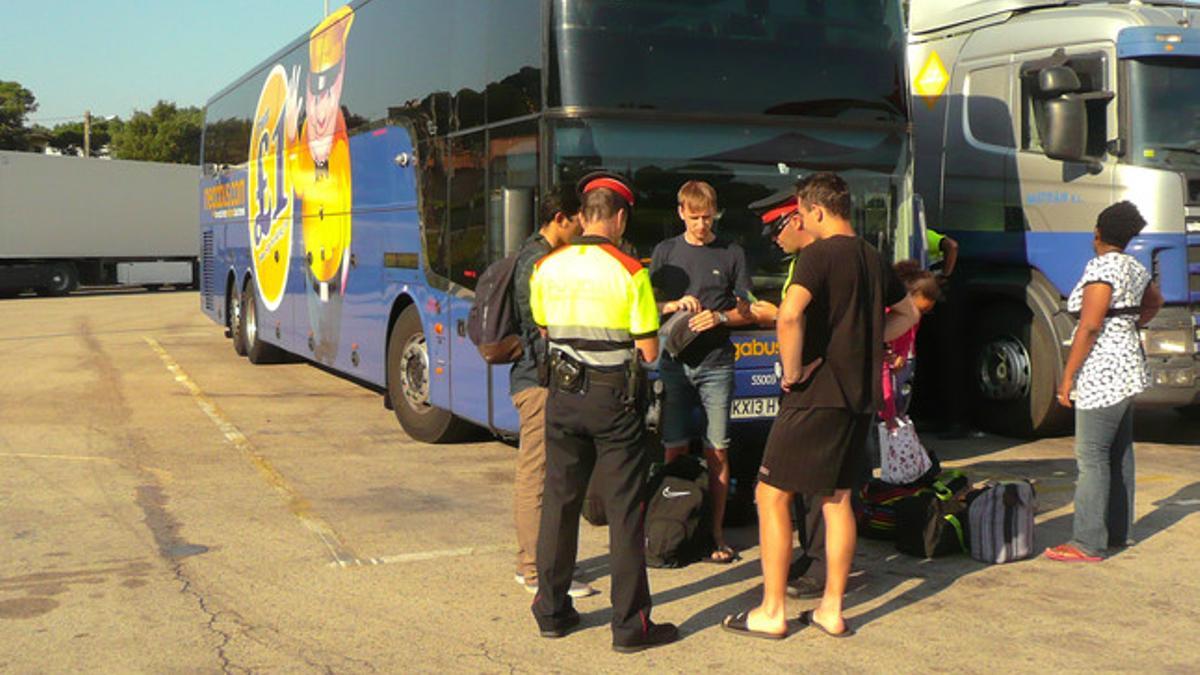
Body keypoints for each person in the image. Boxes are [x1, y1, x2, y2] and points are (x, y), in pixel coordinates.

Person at [722, 172, 918, 640]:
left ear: (817, 211)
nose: (802, 220)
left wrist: (791, 372)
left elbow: (789, 314)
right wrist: (870, 342)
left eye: (803, 213)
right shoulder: (873, 258)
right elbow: (909, 313)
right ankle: (832, 609)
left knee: (771, 494)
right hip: (859, 396)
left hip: (815, 395)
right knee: (838, 499)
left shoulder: (817, 256)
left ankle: (772, 611)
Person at [529, 171, 679, 652]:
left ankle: (551, 612)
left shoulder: (547, 266)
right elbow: (651, 352)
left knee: (559, 502)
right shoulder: (631, 270)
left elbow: (545, 329)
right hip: (614, 399)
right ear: (618, 217)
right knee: (625, 512)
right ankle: (630, 626)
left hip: (562, 395)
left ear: (582, 215)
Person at [1045, 201, 1163, 563]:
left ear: (1098, 233)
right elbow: (1154, 302)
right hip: (1129, 366)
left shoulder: (1102, 267)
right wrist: (1129, 324)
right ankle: (1116, 533)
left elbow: (1090, 325)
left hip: (1104, 372)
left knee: (1092, 457)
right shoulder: (1134, 266)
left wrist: (1067, 378)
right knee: (1118, 453)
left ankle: (1087, 542)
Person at [649, 180, 755, 564]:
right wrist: (672, 305)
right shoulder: (665, 252)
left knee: (718, 451)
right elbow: (645, 306)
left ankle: (715, 533)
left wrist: (721, 316)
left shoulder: (731, 252)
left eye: (707, 217)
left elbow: (748, 310)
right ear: (681, 213)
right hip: (675, 364)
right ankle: (667, 526)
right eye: (694, 218)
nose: (701, 225)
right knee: (673, 447)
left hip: (717, 366)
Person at [509, 187, 594, 598]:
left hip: (538, 379)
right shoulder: (537, 261)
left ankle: (539, 563)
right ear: (561, 218)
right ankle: (534, 571)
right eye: (578, 219)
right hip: (538, 382)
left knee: (544, 472)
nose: (581, 227)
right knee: (537, 474)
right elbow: (538, 330)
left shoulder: (537, 254)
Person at [746, 189, 826, 600]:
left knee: (817, 484)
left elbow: (806, 319)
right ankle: (810, 554)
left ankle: (821, 564)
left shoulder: (819, 260)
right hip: (801, 385)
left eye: (777, 229)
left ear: (797, 221)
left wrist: (774, 315)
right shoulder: (800, 263)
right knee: (798, 479)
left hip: (814, 386)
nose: (774, 240)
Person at [881, 261, 942, 422]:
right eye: (920, 310)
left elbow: (908, 338)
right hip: (886, 364)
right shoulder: (889, 315)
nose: (919, 316)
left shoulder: (911, 318)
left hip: (902, 361)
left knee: (901, 399)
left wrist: (901, 356)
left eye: (926, 312)